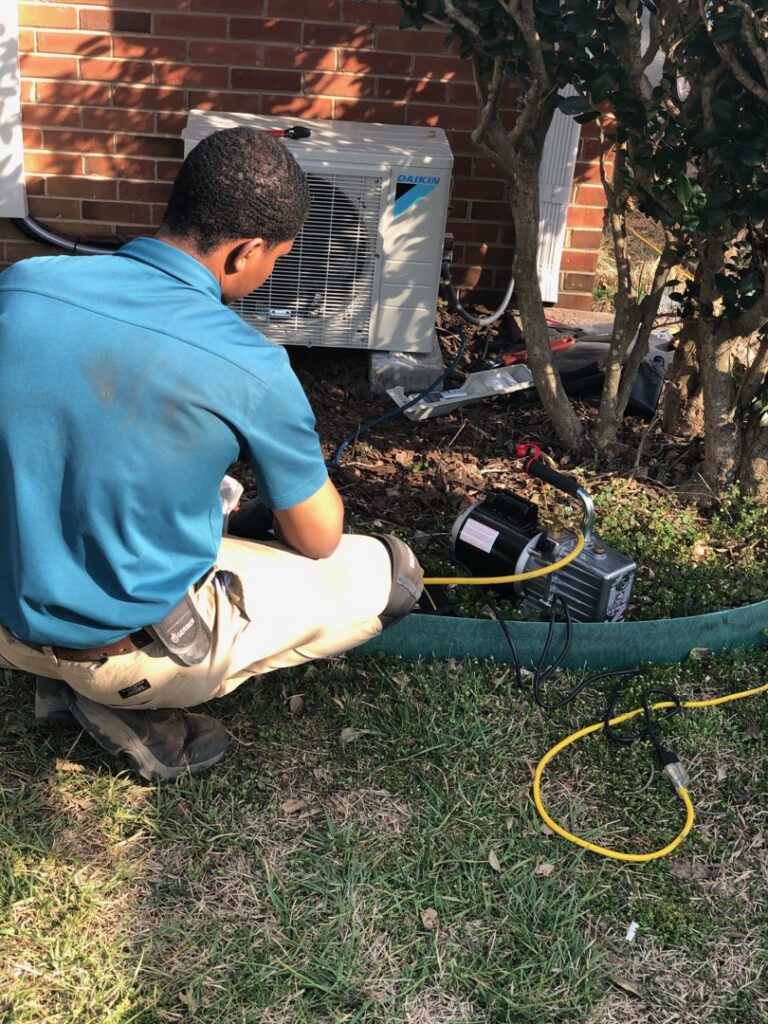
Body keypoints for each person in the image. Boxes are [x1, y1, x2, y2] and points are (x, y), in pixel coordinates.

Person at [0, 127, 423, 782]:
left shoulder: (22, 286)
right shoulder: (250, 364)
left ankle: (60, 671)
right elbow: (318, 537)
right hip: (120, 653)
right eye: (276, 258)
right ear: (245, 252)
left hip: (7, 629)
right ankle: (123, 701)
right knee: (388, 575)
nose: (273, 271)